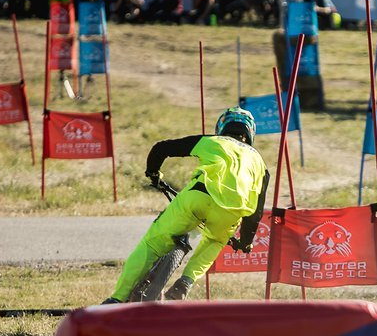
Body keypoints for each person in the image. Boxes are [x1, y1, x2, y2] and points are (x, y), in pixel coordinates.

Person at [104, 108, 270, 303]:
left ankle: (117, 298)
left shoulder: (213, 141)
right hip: (231, 213)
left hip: (198, 197)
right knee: (215, 242)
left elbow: (161, 148)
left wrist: (154, 173)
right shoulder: (260, 164)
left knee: (152, 243)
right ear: (251, 133)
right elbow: (256, 212)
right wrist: (246, 241)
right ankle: (185, 282)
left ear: (221, 127)